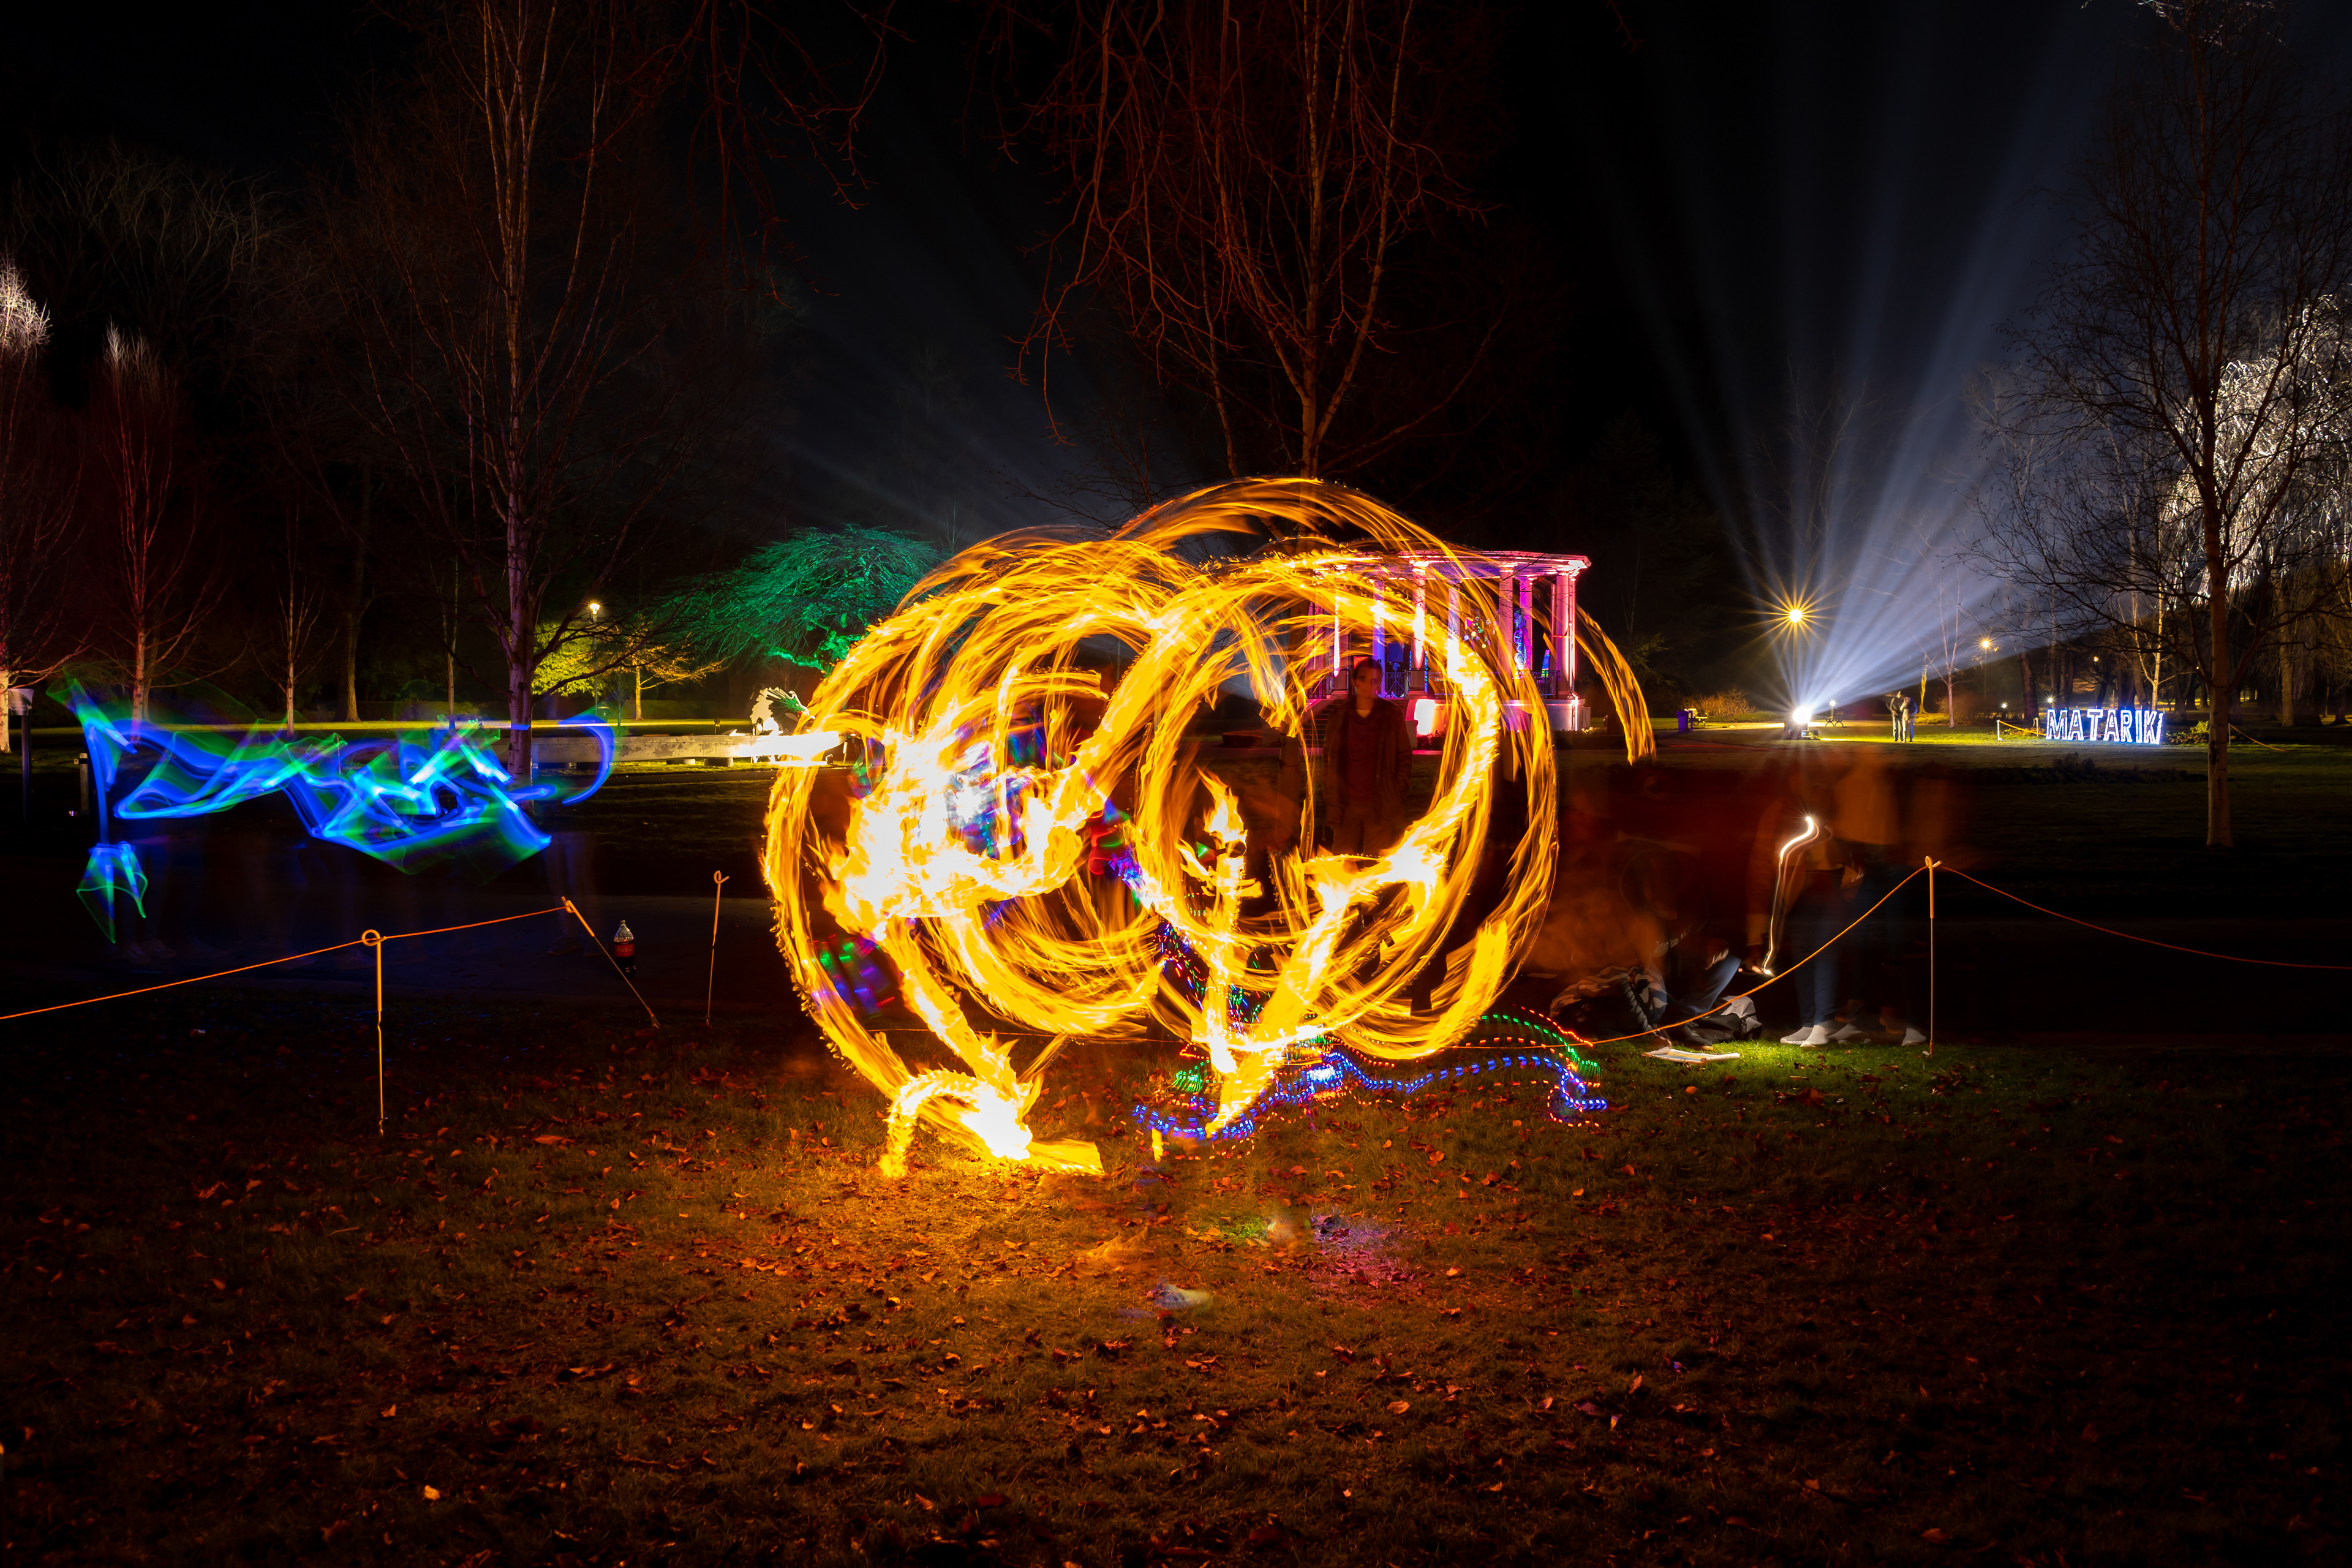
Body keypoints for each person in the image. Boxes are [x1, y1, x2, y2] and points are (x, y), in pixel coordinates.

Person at [1316, 656, 1412, 857]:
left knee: (1376, 866)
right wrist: (1331, 793)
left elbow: (1404, 756)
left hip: (1380, 804)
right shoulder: (1339, 717)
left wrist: (1397, 791)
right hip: (1346, 805)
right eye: (1364, 679)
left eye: (1375, 680)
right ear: (1355, 682)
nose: (1370, 685)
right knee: (1342, 866)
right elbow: (1329, 759)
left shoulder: (1391, 716)